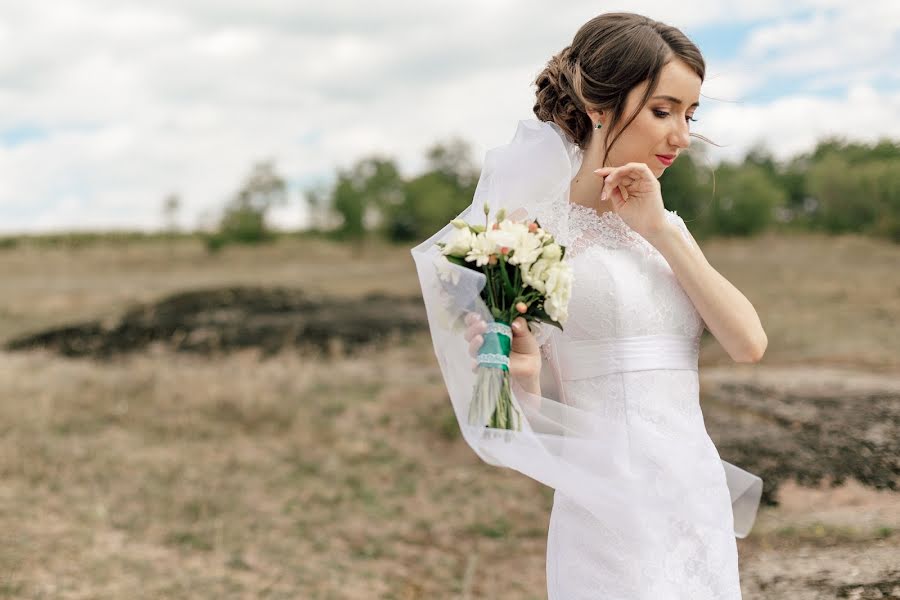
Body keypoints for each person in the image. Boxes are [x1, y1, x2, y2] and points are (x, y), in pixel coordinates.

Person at [411, 11, 767, 599]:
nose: (681, 135)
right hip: (606, 513)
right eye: (662, 110)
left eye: (689, 114)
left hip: (693, 497)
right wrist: (520, 370)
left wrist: (661, 230)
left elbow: (748, 343)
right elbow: (499, 415)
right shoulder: (525, 238)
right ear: (598, 107)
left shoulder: (664, 228)